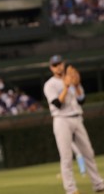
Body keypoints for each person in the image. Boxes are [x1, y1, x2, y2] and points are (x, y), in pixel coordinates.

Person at [43, 54, 104, 194]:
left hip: (77, 117)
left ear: (63, 64)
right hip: (61, 119)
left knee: (89, 152)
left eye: (59, 63)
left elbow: (82, 100)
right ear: (51, 68)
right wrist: (66, 87)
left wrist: (76, 86)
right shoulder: (49, 84)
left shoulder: (71, 77)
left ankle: (98, 184)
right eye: (55, 65)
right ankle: (70, 189)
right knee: (66, 157)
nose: (58, 66)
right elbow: (57, 104)